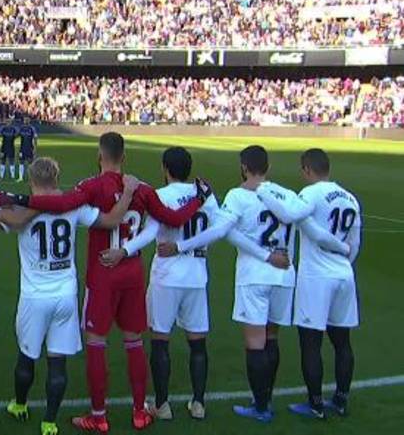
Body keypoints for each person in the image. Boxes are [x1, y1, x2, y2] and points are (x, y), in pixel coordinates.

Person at [0, 132, 208, 432]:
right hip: (132, 271)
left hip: (102, 271)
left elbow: (62, 202)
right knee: (134, 342)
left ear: (99, 156)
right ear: (124, 157)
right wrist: (199, 200)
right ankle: (140, 411)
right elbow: (173, 218)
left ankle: (99, 416)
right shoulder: (141, 188)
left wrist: (14, 198)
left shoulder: (90, 187)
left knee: (96, 344)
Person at [160, 145, 347, 423]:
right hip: (285, 276)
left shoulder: (238, 195)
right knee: (272, 337)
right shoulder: (285, 194)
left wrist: (181, 245)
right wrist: (342, 249)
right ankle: (265, 397)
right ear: (267, 167)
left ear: (244, 167)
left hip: (256, 275)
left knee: (255, 342)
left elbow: (222, 232)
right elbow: (306, 226)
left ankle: (261, 407)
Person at [0, 157, 135, 435]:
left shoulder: (23, 209)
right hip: (65, 293)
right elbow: (111, 221)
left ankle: (20, 404)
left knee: (27, 357)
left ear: (31, 180)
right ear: (56, 178)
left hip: (35, 295)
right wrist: (129, 193)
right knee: (57, 360)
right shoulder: (74, 205)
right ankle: (49, 421)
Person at [101, 147, 267, 421]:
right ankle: (198, 403)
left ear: (165, 168)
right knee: (197, 343)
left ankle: (163, 405)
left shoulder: (161, 195)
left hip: (167, 275)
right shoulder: (204, 195)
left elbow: (151, 232)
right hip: (196, 275)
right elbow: (219, 229)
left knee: (160, 341)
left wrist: (125, 250)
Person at [254, 149, 361, 419]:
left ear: (306, 169)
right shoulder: (350, 198)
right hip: (344, 274)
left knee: (311, 342)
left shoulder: (311, 194)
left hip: (317, 276)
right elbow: (355, 243)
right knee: (342, 341)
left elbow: (289, 214)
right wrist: (345, 260)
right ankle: (341, 399)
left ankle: (315, 404)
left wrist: (265, 191)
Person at [18, 117, 38, 182]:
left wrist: (35, 147)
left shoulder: (32, 128)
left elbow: (35, 138)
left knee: (30, 162)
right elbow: (16, 135)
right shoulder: (21, 128)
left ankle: (31, 178)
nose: (26, 121)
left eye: (27, 120)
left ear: (29, 121)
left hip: (29, 147)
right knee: (21, 161)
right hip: (22, 147)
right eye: (25, 120)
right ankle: (20, 177)